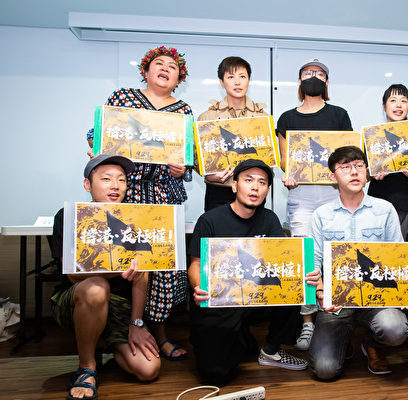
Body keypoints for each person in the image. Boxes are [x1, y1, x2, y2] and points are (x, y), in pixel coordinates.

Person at [87, 46, 193, 361]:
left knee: (161, 267)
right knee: (125, 263)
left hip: (163, 196)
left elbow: (188, 159)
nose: (165, 68)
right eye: (159, 63)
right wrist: (99, 151)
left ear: (179, 79)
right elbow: (96, 135)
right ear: (145, 71)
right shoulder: (123, 97)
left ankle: (159, 335)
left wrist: (182, 168)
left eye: (172, 66)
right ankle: (117, 334)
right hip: (127, 192)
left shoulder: (183, 110)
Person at [188, 159, 307, 385]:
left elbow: (280, 262)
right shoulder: (209, 220)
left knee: (295, 283)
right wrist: (198, 287)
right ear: (234, 185)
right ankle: (240, 337)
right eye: (248, 180)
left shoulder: (269, 219)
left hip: (255, 296)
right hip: (221, 301)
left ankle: (271, 350)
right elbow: (196, 263)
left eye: (262, 182)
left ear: (267, 191)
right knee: (216, 375)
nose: (255, 187)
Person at [50, 155, 161, 400]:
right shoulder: (70, 216)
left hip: (118, 305)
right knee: (97, 288)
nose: (115, 186)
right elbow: (72, 275)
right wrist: (116, 270)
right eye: (106, 179)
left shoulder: (135, 218)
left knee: (148, 369)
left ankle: (106, 342)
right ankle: (87, 368)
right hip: (77, 298)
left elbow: (143, 274)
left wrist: (136, 324)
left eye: (121, 180)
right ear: (87, 185)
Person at [307, 146, 408, 379]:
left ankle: (372, 344)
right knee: (325, 370)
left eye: (359, 166)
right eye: (345, 167)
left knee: (395, 330)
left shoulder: (385, 209)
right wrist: (321, 290)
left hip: (378, 297)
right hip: (337, 302)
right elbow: (314, 262)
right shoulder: (322, 214)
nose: (354, 172)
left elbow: (400, 256)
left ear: (366, 172)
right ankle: (343, 341)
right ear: (333, 177)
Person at [276, 59, 353, 350]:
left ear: (327, 82)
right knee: (306, 258)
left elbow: (347, 157)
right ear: (299, 81)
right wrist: (288, 174)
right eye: (308, 73)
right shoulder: (287, 118)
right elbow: (285, 160)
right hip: (302, 195)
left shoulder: (339, 114)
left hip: (334, 193)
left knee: (336, 254)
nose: (314, 77)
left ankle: (336, 318)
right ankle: (307, 322)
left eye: (319, 74)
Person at [197, 56, 269, 211]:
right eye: (231, 77)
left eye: (242, 76)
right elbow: (197, 157)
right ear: (222, 82)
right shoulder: (207, 118)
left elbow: (268, 159)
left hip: (252, 192)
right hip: (218, 190)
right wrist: (208, 174)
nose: (237, 82)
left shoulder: (262, 118)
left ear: (249, 81)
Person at [367, 84, 408, 241]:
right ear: (384, 106)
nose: (398, 105)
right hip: (377, 205)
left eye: (403, 101)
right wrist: (372, 174)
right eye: (393, 100)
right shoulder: (373, 137)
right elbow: (362, 173)